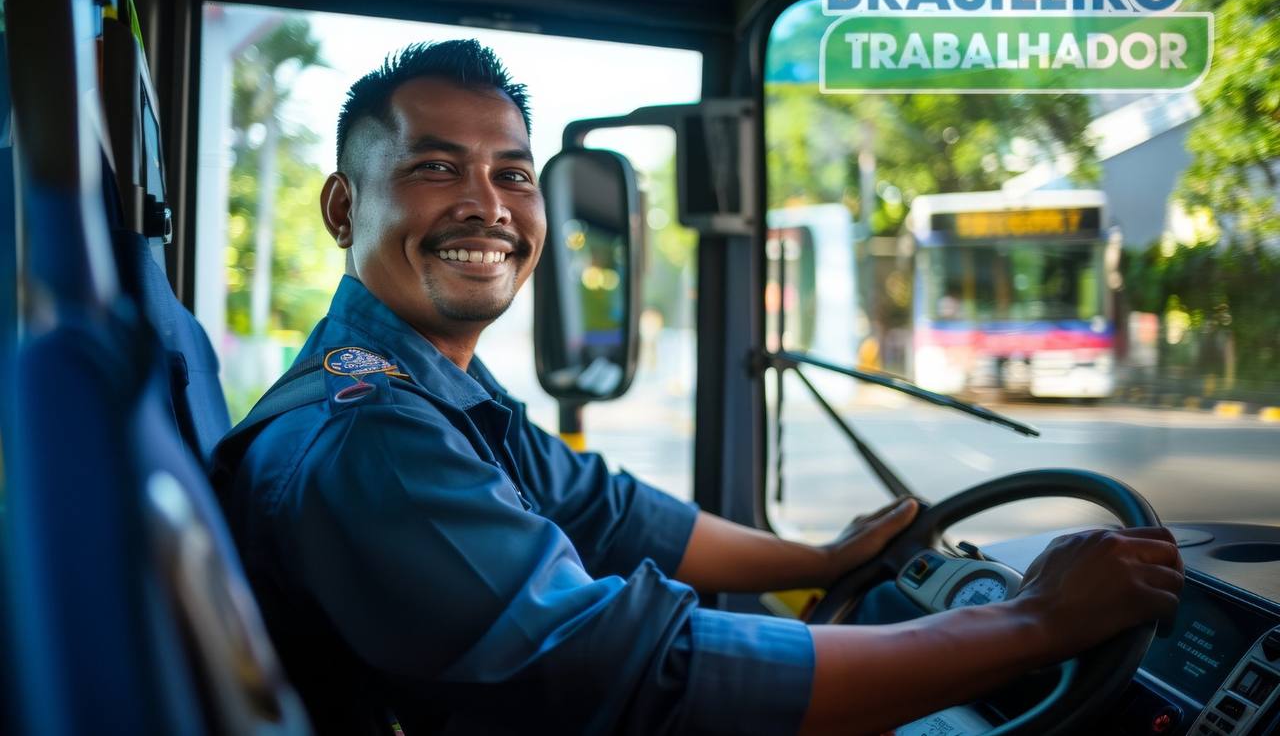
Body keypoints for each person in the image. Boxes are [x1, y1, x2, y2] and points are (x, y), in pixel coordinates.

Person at [214, 40, 1184, 735]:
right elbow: (646, 679)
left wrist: (817, 556)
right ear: (345, 206)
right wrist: (1028, 621)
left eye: (513, 175)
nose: (486, 205)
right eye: (434, 167)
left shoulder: (431, 387)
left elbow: (610, 512)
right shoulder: (369, 438)